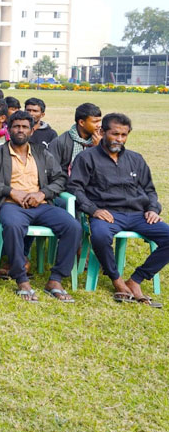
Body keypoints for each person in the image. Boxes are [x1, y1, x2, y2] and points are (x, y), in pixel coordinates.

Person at [0, 110, 82, 303]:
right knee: (13, 226)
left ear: (32, 130)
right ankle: (22, 280)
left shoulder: (42, 153)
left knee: (73, 226)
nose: (20, 130)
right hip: (11, 205)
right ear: (8, 129)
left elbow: (60, 178)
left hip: (40, 204)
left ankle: (56, 279)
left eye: (25, 127)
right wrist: (10, 191)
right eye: (16, 126)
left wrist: (43, 193)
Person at [68, 113, 168, 307]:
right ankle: (117, 280)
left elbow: (149, 189)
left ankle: (136, 280)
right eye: (115, 134)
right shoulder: (87, 158)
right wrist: (93, 210)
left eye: (124, 135)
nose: (119, 139)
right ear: (102, 132)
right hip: (106, 214)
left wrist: (153, 209)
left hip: (138, 214)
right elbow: (75, 188)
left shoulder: (135, 159)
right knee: (100, 236)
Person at [49, 102, 101, 176]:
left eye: (99, 121)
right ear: (81, 122)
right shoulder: (60, 142)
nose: (99, 125)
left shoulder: (103, 141)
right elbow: (52, 172)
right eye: (95, 122)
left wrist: (99, 149)